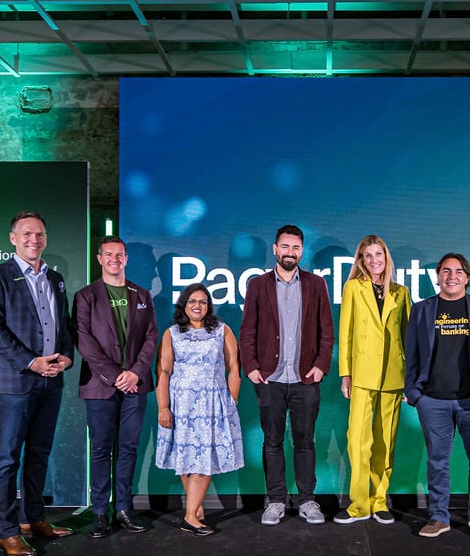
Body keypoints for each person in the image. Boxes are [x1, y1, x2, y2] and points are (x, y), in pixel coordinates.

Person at [0, 210, 74, 556]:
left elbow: (63, 325)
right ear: (13, 238)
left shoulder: (55, 278)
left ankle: (33, 519)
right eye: (27, 234)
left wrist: (66, 356)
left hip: (51, 381)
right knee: (6, 459)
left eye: (40, 235)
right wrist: (31, 361)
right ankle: (7, 531)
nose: (34, 240)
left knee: (39, 454)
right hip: (15, 382)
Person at [239, 225, 335, 526]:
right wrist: (252, 367)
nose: (290, 252)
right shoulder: (258, 285)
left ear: (301, 251)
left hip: (306, 378)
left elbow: (327, 331)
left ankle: (307, 500)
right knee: (272, 441)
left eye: (295, 248)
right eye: (285, 247)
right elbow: (248, 331)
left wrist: (320, 365)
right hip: (270, 378)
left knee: (305, 442)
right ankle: (276, 501)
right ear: (275, 249)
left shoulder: (316, 284)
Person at [404, 253, 470, 540]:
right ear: (438, 276)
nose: (452, 276)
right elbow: (411, 353)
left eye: (458, 271)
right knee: (437, 461)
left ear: (467, 277)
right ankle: (438, 516)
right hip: (433, 400)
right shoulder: (421, 310)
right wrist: (414, 392)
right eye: (446, 271)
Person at [73, 235, 159, 539]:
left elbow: (151, 338)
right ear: (99, 259)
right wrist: (114, 375)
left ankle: (124, 509)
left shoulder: (142, 295)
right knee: (100, 449)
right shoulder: (86, 296)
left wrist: (135, 373)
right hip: (100, 386)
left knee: (128, 449)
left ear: (126, 259)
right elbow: (84, 340)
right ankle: (100, 513)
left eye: (119, 255)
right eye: (108, 254)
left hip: (135, 386)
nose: (114, 259)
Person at [155, 283, 243, 536]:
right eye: (192, 301)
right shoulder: (172, 333)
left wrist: (231, 401)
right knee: (185, 459)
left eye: (203, 302)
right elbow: (164, 371)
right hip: (180, 404)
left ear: (208, 306)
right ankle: (194, 511)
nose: (197, 306)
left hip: (213, 405)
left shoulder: (222, 330)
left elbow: (234, 367)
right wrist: (163, 407)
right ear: (184, 305)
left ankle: (190, 515)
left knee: (204, 460)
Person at [335, 234, 411, 525]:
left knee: (385, 441)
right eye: (368, 256)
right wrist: (346, 374)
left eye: (378, 254)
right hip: (362, 374)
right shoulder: (354, 287)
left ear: (386, 258)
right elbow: (346, 332)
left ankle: (380, 502)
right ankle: (359, 505)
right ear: (361, 260)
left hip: (393, 376)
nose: (374, 260)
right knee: (357, 440)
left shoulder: (401, 292)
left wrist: (410, 378)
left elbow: (409, 338)